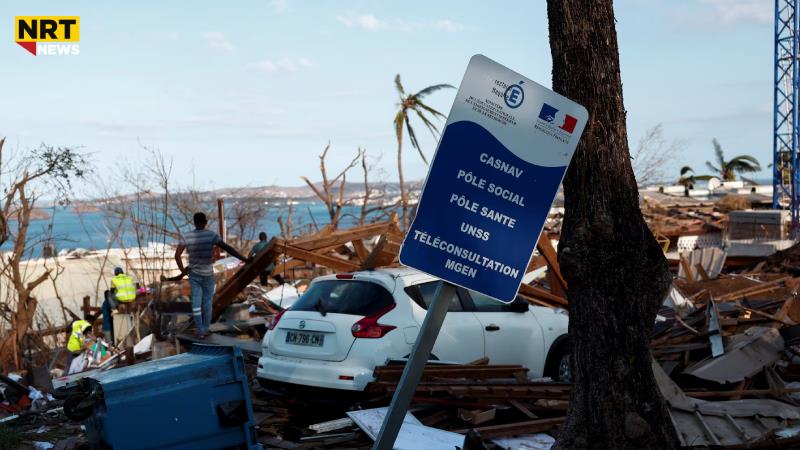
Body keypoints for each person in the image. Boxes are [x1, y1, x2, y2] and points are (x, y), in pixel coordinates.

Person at [175, 212, 250, 337]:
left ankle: (200, 330)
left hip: (194, 274)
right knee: (207, 303)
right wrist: (244, 259)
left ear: (194, 222)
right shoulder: (211, 235)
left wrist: (183, 272)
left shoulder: (187, 236)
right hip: (208, 274)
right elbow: (228, 248)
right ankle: (205, 328)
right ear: (205, 222)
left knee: (196, 303)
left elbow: (177, 256)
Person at [101, 267, 137, 344]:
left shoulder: (114, 279)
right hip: (132, 298)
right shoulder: (129, 278)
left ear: (115, 273)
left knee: (110, 294)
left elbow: (112, 291)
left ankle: (114, 308)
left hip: (122, 300)